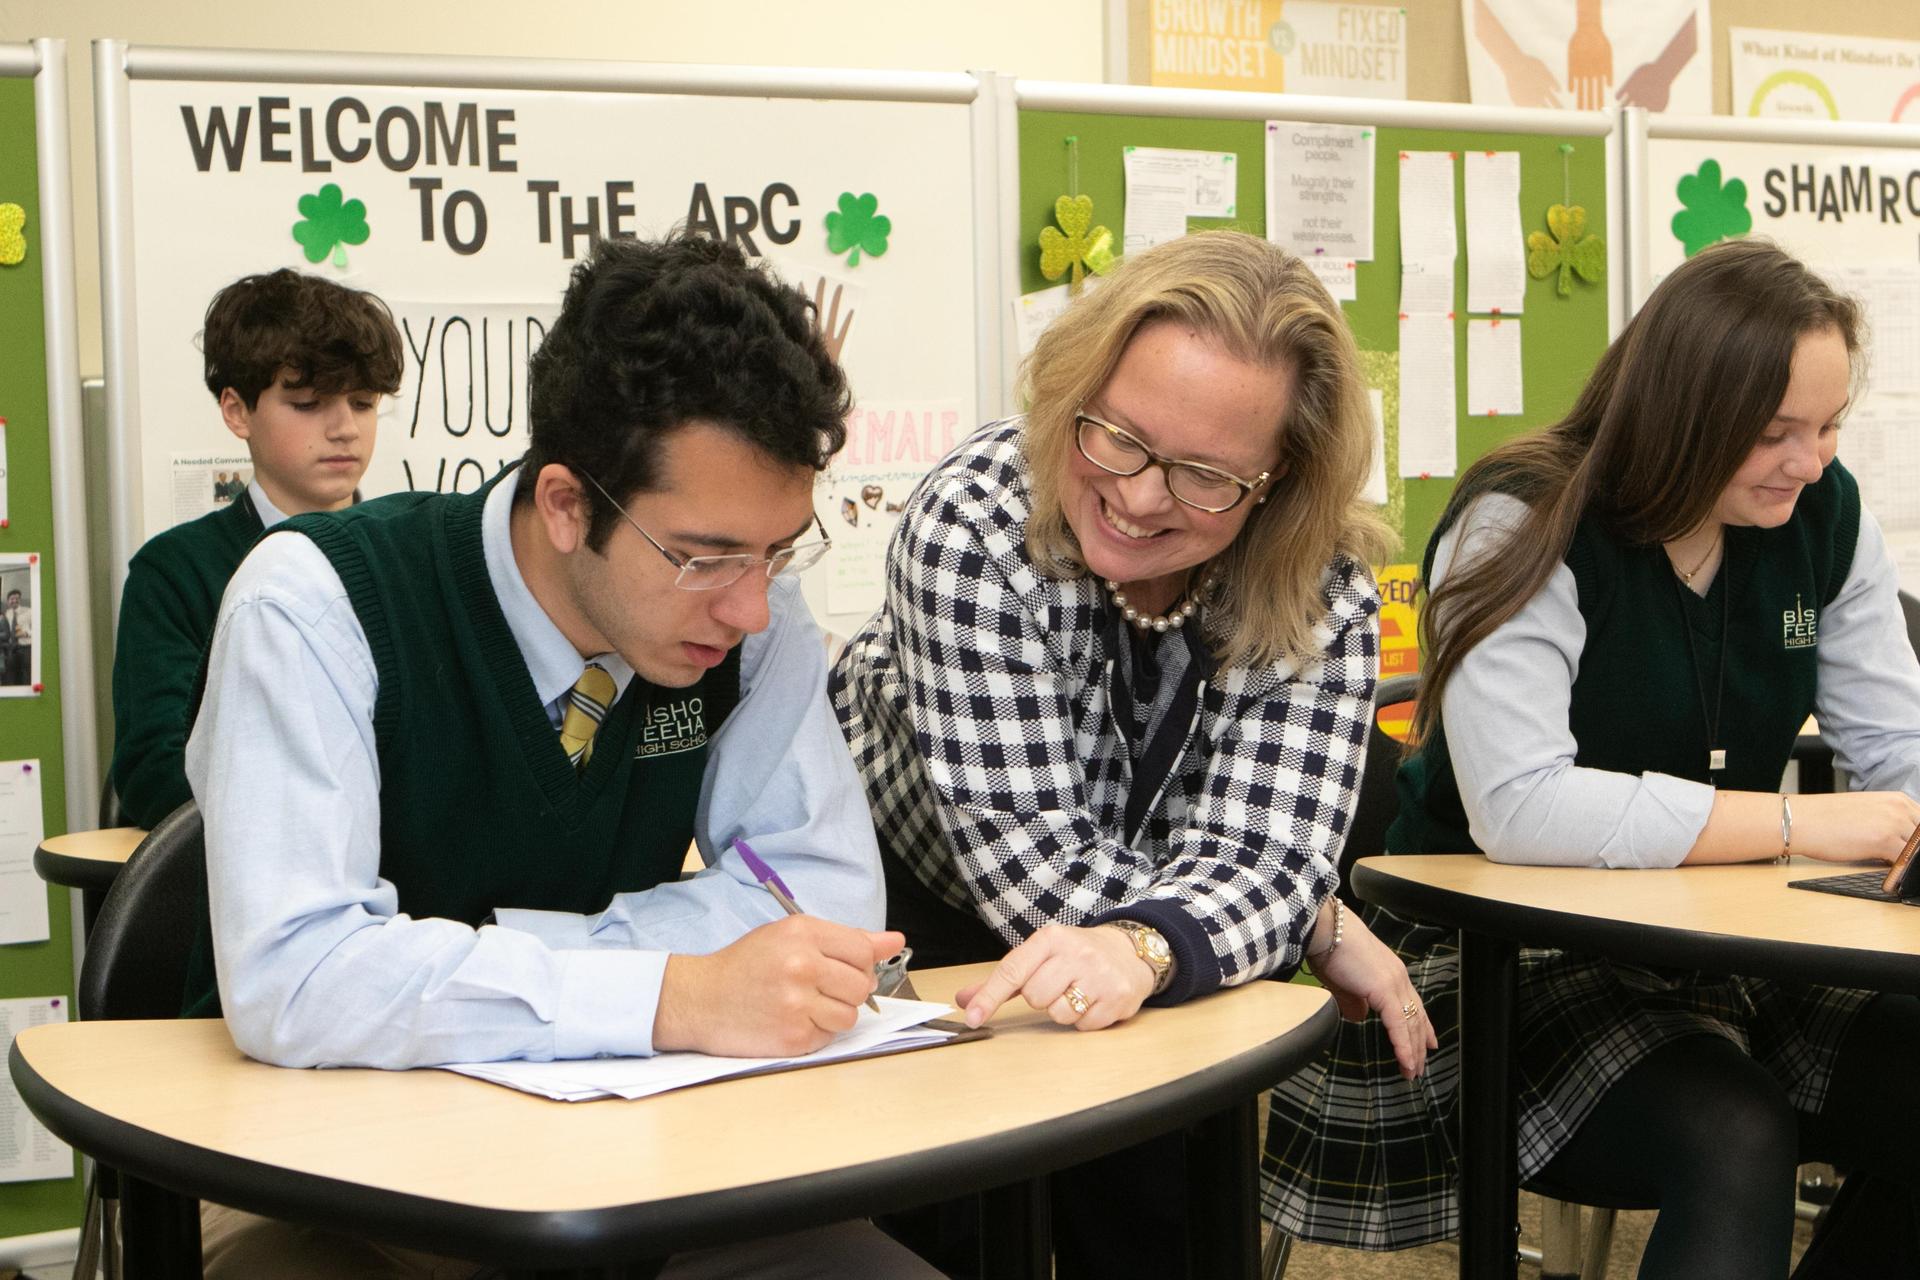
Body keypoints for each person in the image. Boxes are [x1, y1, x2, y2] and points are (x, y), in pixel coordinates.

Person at [183, 234, 932, 1279]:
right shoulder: (315, 603)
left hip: (641, 1157)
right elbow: (299, 978)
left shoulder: (750, 611)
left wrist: (475, 956)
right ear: (568, 503)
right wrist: (675, 990)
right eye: (705, 556)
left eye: (779, 548)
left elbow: (828, 905)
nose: (751, 603)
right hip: (341, 1170)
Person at [1262, 238, 1920, 1278]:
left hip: (1720, 941)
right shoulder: (1526, 512)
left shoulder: (1822, 517)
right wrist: (1797, 822)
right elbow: (1524, 806)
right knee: (1733, 1126)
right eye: (1775, 432)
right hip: (1497, 951)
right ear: (1681, 413)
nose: (1814, 460)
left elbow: (1901, 749)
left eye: (1831, 425)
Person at [830, 230, 1434, 1277]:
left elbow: (1272, 851)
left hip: (1148, 936)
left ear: (1277, 476)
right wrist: (1296, 915)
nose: (1143, 496)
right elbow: (1041, 872)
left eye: (1204, 475)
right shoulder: (972, 522)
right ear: (1078, 386)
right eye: (1117, 436)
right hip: (922, 911)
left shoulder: (1320, 580)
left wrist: (1212, 923)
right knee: (956, 1231)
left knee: (1169, 1220)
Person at [107, 268, 404, 828]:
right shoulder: (174, 573)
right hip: (250, 883)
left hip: (412, 890)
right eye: (310, 403)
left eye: (364, 403)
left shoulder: (412, 557)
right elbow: (153, 777)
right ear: (237, 410)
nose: (345, 429)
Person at [2, 587, 30, 686]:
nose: (14, 600)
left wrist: (26, 633)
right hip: (12, 647)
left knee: (26, 672)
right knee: (12, 673)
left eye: (16, 598)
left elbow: (38, 629)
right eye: (11, 599)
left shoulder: (28, 611)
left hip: (25, 646)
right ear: (8, 601)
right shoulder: (7, 613)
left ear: (20, 599)